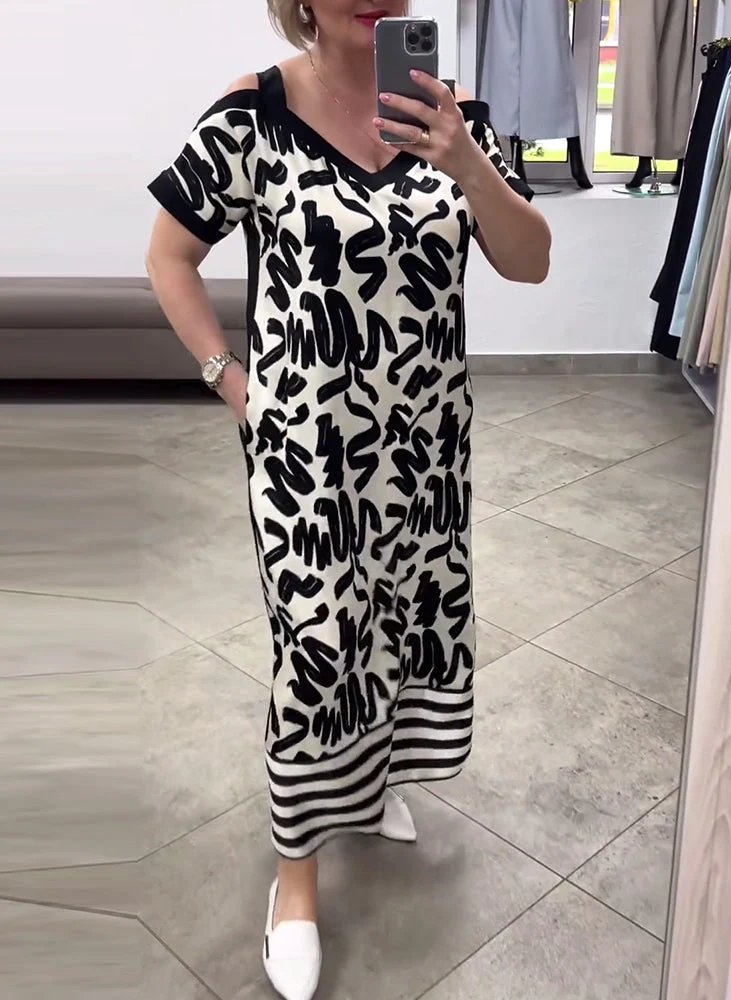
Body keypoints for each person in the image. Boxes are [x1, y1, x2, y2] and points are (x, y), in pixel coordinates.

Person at [146, 1, 551, 996]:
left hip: (424, 455)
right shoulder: (254, 115)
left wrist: (466, 160)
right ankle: (294, 880)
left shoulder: (451, 115)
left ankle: (367, 787)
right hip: (309, 464)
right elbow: (169, 256)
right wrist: (231, 382)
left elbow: (531, 260)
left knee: (399, 623)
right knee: (318, 649)